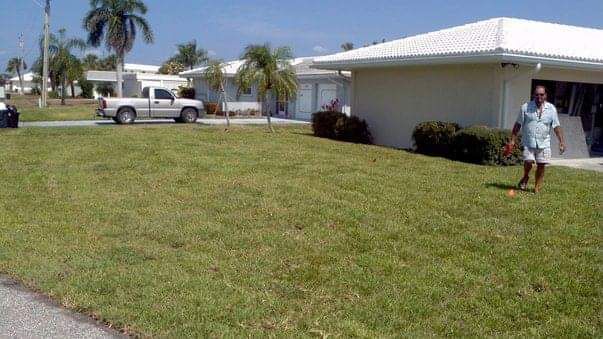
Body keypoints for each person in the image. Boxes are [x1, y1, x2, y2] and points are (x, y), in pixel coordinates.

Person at [506, 85, 566, 193]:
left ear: (545, 95)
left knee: (541, 165)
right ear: (533, 95)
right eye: (537, 94)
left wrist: (561, 142)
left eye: (542, 94)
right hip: (529, 141)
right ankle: (525, 176)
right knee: (528, 161)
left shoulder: (551, 109)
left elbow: (556, 126)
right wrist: (512, 140)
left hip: (544, 142)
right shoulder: (525, 107)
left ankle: (536, 187)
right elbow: (517, 124)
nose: (539, 97)